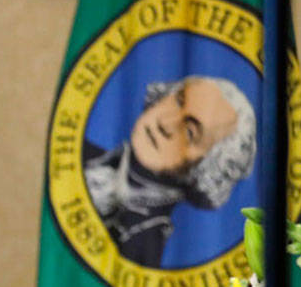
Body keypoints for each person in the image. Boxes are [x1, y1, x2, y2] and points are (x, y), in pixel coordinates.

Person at [83, 75, 257, 266]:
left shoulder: (142, 250)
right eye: (178, 101)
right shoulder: (79, 156)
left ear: (207, 169)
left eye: (190, 132)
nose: (165, 123)